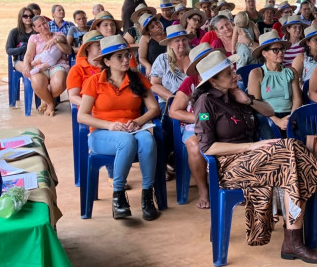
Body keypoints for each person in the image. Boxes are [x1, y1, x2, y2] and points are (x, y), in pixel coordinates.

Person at [193, 49, 317, 263]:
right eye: (228, 74)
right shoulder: (205, 103)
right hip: (230, 166)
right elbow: (208, 148)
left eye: (232, 70)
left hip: (258, 158)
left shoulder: (235, 95)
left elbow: (269, 111)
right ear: (214, 81)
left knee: (293, 166)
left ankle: (293, 243)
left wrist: (247, 101)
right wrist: (252, 147)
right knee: (291, 149)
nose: (235, 75)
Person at [77, 35, 161, 221]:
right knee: (126, 141)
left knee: (147, 141)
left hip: (133, 128)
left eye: (127, 55)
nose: (126, 60)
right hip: (102, 133)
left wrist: (139, 121)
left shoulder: (137, 78)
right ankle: (119, 196)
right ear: (107, 61)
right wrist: (110, 125)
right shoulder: (94, 82)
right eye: (119, 57)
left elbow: (154, 108)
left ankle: (148, 195)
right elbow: (82, 115)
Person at [167, 43, 215, 209]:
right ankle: (203, 190)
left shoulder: (223, 76)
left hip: (221, 124)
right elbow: (174, 111)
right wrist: (201, 118)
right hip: (194, 127)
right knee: (194, 145)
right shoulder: (191, 82)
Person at [248, 31, 301, 131]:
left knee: (308, 140)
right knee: (276, 144)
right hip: (267, 117)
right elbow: (256, 105)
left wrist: (291, 119)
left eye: (282, 49)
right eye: (275, 50)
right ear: (264, 53)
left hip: (291, 114)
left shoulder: (291, 71)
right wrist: (277, 121)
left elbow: (297, 99)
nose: (280, 52)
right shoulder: (256, 74)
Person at [23, 15, 71, 116]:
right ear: (35, 28)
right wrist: (26, 65)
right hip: (40, 66)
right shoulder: (34, 38)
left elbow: (68, 51)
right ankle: (50, 103)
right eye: (39, 26)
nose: (43, 27)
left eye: (44, 23)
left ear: (47, 23)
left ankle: (45, 100)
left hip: (58, 65)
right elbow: (29, 54)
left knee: (60, 82)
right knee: (36, 81)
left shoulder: (59, 35)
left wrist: (55, 41)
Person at [149, 25, 193, 108]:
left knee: (205, 117)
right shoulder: (162, 59)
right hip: (169, 103)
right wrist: (174, 98)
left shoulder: (194, 57)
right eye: (177, 41)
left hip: (194, 102)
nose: (181, 43)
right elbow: (154, 84)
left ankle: (201, 119)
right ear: (169, 44)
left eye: (184, 39)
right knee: (182, 119)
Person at [6, 7, 36, 76]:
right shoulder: (15, 32)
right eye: (25, 16)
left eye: (31, 16)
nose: (28, 18)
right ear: (20, 18)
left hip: (35, 60)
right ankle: (27, 87)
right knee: (30, 71)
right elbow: (9, 50)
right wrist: (24, 48)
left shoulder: (37, 31)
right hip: (19, 61)